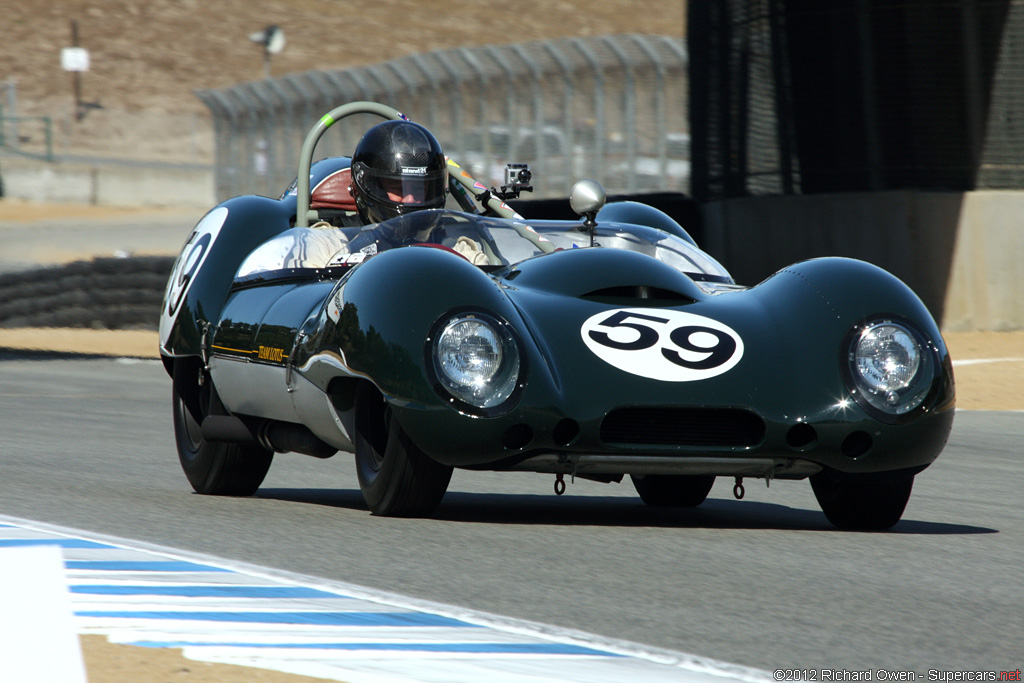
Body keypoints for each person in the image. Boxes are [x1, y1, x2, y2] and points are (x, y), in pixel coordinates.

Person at [349, 119, 448, 225]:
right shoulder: (339, 238)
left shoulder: (451, 237)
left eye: (419, 189)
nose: (410, 200)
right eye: (398, 189)